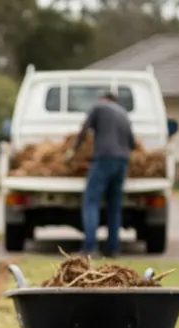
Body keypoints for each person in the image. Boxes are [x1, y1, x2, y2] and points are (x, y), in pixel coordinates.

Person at [71, 91, 135, 256]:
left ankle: (90, 247)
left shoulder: (98, 107)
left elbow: (84, 131)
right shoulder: (123, 113)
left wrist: (73, 151)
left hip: (104, 159)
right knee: (114, 206)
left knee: (91, 202)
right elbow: (132, 142)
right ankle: (113, 249)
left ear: (103, 99)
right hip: (122, 161)